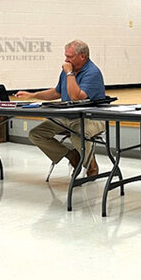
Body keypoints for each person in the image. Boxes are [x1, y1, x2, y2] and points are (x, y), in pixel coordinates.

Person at [16, 40, 106, 177]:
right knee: (36, 134)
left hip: (92, 117)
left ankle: (90, 165)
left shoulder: (92, 72)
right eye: (66, 56)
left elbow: (77, 97)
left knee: (78, 133)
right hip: (67, 116)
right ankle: (72, 156)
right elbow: (57, 92)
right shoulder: (67, 71)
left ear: (82, 56)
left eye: (70, 57)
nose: (66, 60)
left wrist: (70, 74)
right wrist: (32, 95)